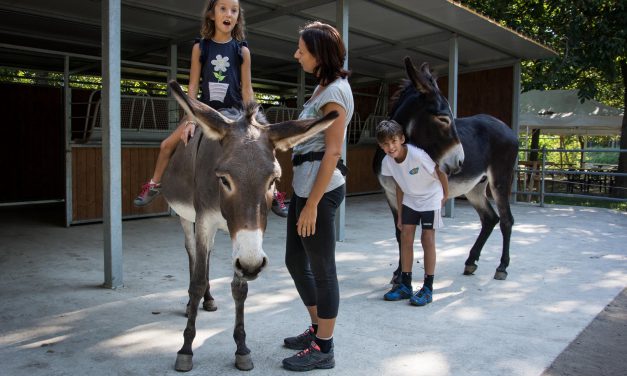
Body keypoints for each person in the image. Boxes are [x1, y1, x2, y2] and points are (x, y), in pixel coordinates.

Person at [132, 0, 288, 217]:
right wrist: (190, 119)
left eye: (234, 10)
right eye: (223, 9)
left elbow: (247, 88)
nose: (228, 14)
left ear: (238, 17)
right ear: (212, 15)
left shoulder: (242, 51)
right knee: (166, 145)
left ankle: (275, 193)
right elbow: (193, 85)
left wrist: (252, 119)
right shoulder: (201, 47)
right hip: (206, 114)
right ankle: (154, 184)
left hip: (234, 115)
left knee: (260, 150)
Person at [281, 22, 353, 372]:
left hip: (319, 193)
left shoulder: (335, 94)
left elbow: (332, 152)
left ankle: (325, 348)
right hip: (303, 186)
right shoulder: (321, 90)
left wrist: (311, 204)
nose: (296, 54)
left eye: (302, 50)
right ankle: (316, 328)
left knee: (323, 270)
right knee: (295, 261)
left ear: (319, 54)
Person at [376, 120, 448, 307]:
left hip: (430, 197)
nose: (390, 147)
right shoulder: (387, 162)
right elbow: (399, 185)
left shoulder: (417, 155)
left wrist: (445, 196)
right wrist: (400, 213)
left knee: (427, 239)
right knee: (405, 237)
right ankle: (405, 285)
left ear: (401, 139)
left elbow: (440, 172)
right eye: (385, 144)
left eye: (393, 141)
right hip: (410, 199)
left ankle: (428, 288)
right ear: (381, 146)